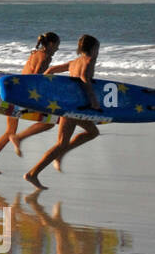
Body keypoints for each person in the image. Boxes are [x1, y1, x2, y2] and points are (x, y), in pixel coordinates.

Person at [26, 35, 102, 187]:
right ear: (93, 49)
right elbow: (84, 79)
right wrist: (94, 101)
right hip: (73, 107)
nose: (98, 52)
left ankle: (59, 155)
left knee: (92, 132)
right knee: (61, 143)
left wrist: (45, 86)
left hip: (71, 105)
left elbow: (51, 70)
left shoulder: (74, 62)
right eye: (98, 49)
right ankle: (33, 173)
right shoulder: (89, 60)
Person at [0, 32, 60, 173]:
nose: (57, 49)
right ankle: (18, 138)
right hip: (23, 97)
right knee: (50, 122)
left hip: (13, 93)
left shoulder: (35, 53)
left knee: (10, 131)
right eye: (57, 46)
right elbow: (34, 79)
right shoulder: (45, 57)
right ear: (51, 44)